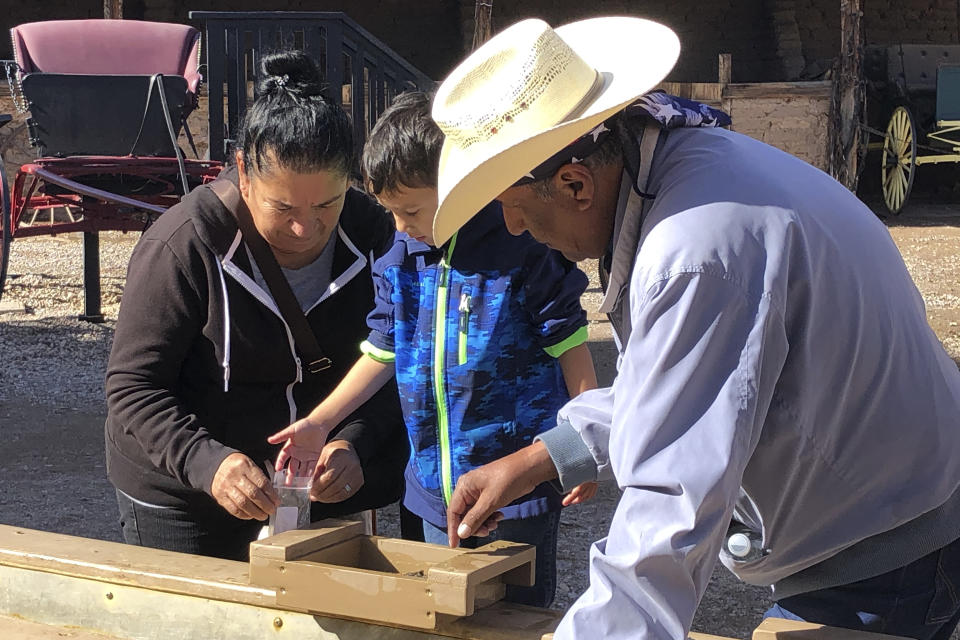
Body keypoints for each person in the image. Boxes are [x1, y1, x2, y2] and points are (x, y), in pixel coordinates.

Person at [427, 16, 960, 640]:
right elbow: (679, 379)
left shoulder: (692, 250)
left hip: (883, 546)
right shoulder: (684, 174)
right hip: (893, 506)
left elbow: (669, 510)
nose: (515, 231)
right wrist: (548, 455)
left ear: (573, 184)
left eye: (515, 210)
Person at [267, 91, 599, 607]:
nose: (400, 225)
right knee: (438, 612)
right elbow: (382, 348)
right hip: (427, 490)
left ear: (462, 186)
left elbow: (572, 343)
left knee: (513, 618)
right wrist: (320, 421)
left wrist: (580, 447)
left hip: (515, 492)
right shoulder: (400, 257)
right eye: (390, 211)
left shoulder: (523, 250)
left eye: (412, 210)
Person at [104, 51, 408, 561]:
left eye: (326, 205)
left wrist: (354, 442)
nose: (304, 228)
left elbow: (398, 359)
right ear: (243, 172)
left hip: (317, 486)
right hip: (187, 495)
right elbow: (134, 388)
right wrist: (209, 464)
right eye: (283, 207)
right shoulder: (182, 245)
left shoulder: (374, 231)